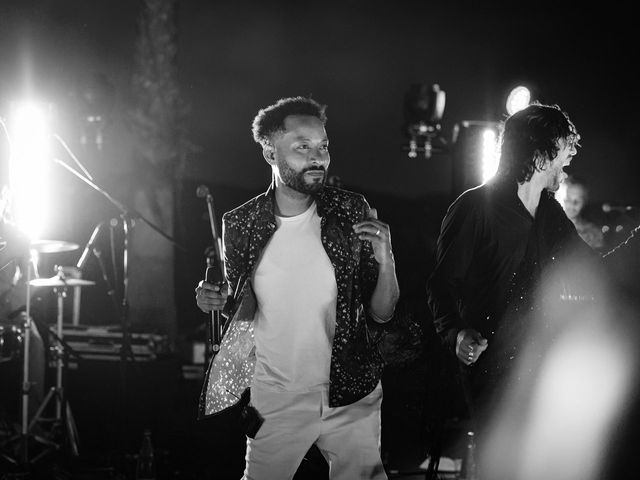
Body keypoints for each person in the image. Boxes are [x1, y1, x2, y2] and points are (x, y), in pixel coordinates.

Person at [195, 96, 400, 479]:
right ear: (270, 152)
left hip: (350, 390)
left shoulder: (351, 211)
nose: (318, 157)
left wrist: (387, 259)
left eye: (323, 146)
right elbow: (244, 308)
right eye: (302, 147)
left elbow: (383, 312)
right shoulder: (240, 224)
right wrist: (218, 300)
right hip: (277, 394)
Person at [426, 104, 598, 442]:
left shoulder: (550, 211)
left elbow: (591, 268)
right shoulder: (475, 207)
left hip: (541, 360)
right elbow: (441, 285)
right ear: (539, 154)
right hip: (493, 364)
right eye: (564, 148)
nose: (570, 157)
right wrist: (457, 335)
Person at [561, 175, 604, 250]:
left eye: (578, 200)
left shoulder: (593, 233)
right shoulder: (549, 229)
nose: (572, 204)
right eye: (568, 199)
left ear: (584, 201)